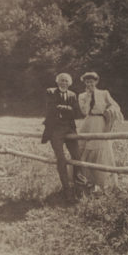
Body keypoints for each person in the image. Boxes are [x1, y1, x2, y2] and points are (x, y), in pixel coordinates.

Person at [78, 72, 124, 191]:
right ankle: (85, 182)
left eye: (91, 81)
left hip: (100, 123)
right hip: (88, 123)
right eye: (87, 82)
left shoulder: (104, 93)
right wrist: (88, 97)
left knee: (99, 149)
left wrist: (109, 111)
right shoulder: (82, 96)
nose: (89, 84)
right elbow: (84, 112)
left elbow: (115, 106)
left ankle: (102, 183)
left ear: (96, 81)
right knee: (84, 151)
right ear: (85, 83)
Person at [41, 73, 83, 202]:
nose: (63, 83)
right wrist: (68, 109)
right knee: (61, 159)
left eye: (66, 81)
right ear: (57, 82)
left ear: (69, 83)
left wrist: (64, 108)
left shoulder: (72, 95)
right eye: (61, 81)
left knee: (77, 157)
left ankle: (79, 188)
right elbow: (52, 108)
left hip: (70, 128)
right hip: (55, 130)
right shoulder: (51, 92)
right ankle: (67, 191)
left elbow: (77, 112)